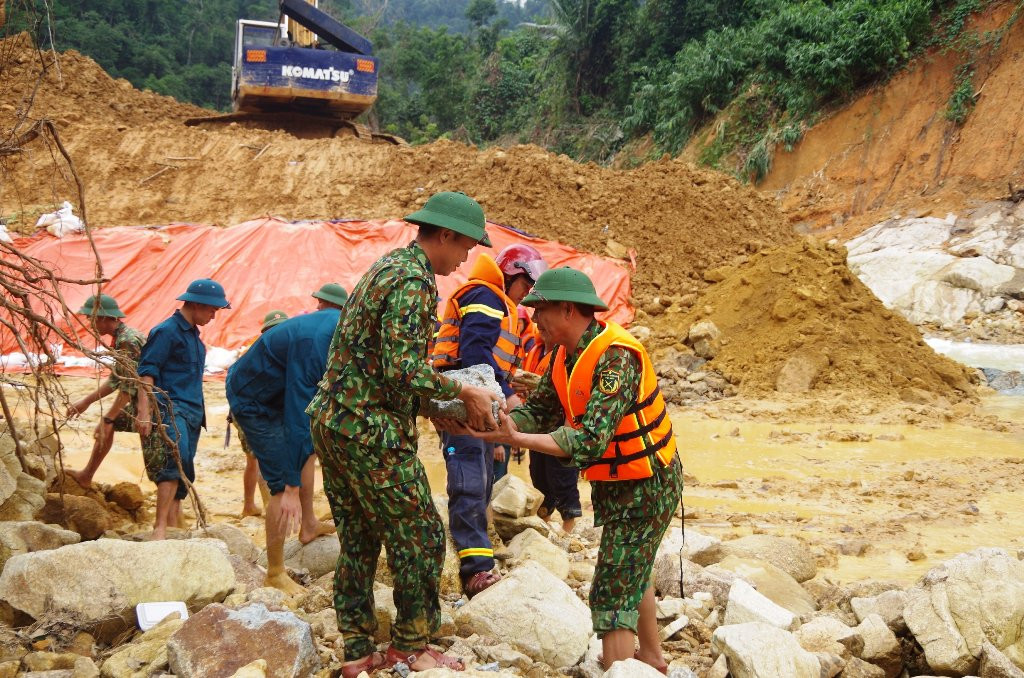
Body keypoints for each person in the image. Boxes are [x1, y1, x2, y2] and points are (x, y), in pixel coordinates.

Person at [306, 191, 501, 677]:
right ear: (446, 235)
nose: (465, 259)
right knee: (420, 535)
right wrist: (465, 393)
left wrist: (433, 405)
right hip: (369, 429)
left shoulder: (387, 266)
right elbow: (402, 369)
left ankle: (356, 650)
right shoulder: (414, 281)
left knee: (359, 538)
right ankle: (410, 646)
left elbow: (382, 365)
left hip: (334, 421)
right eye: (466, 247)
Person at [463, 267, 681, 674]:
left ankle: (618, 667)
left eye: (539, 310)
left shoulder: (615, 358)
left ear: (566, 310)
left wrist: (518, 441)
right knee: (631, 564)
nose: (532, 319)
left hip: (649, 483)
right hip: (618, 484)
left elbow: (591, 440)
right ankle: (651, 658)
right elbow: (540, 410)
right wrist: (500, 425)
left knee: (614, 582)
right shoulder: (563, 356)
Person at [431, 243, 548, 596]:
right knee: (468, 479)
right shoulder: (485, 296)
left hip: (477, 398)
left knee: (480, 481)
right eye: (526, 286)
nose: (527, 295)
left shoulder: (501, 302)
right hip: (465, 399)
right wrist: (507, 396)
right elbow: (475, 354)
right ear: (511, 275)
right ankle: (476, 569)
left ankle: (480, 552)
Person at [226, 307, 339, 594]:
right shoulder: (316, 343)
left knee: (308, 450)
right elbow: (297, 413)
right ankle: (275, 572)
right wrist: (290, 486)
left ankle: (309, 524)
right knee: (279, 480)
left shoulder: (346, 328)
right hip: (253, 399)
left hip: (279, 389)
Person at [137, 278, 230, 540]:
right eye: (212, 310)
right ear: (197, 305)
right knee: (171, 462)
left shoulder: (194, 337)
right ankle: (160, 528)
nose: (213, 316)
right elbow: (146, 373)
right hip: (170, 408)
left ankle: (173, 522)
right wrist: (144, 413)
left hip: (191, 413)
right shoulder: (166, 332)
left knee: (184, 467)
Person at [66, 294, 146, 487]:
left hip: (152, 405)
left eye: (90, 318)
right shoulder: (122, 337)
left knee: (160, 464)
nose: (89, 322)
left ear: (102, 318)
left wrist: (108, 418)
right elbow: (116, 379)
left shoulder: (127, 341)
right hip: (146, 399)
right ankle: (87, 475)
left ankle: (86, 475)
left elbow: (129, 387)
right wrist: (87, 401)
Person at [513, 314, 583, 534]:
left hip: (560, 426)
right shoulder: (536, 351)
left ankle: (569, 524)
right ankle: (545, 517)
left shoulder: (569, 355)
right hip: (539, 425)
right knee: (538, 472)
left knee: (562, 475)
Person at [233, 310, 289, 518]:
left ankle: (252, 505)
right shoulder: (258, 353)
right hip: (251, 411)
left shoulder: (260, 351)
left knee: (255, 460)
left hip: (254, 410)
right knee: (261, 459)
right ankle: (266, 505)